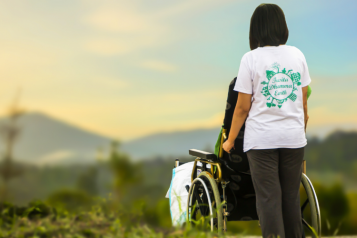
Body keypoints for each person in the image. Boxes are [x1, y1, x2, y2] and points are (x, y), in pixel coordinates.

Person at [223, 4, 311, 238]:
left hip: (262, 141)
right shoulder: (297, 55)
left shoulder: (250, 59)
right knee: (290, 198)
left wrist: (230, 140)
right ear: (282, 27)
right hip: (293, 139)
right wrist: (298, 134)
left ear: (255, 30)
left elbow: (241, 108)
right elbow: (303, 106)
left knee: (269, 199)